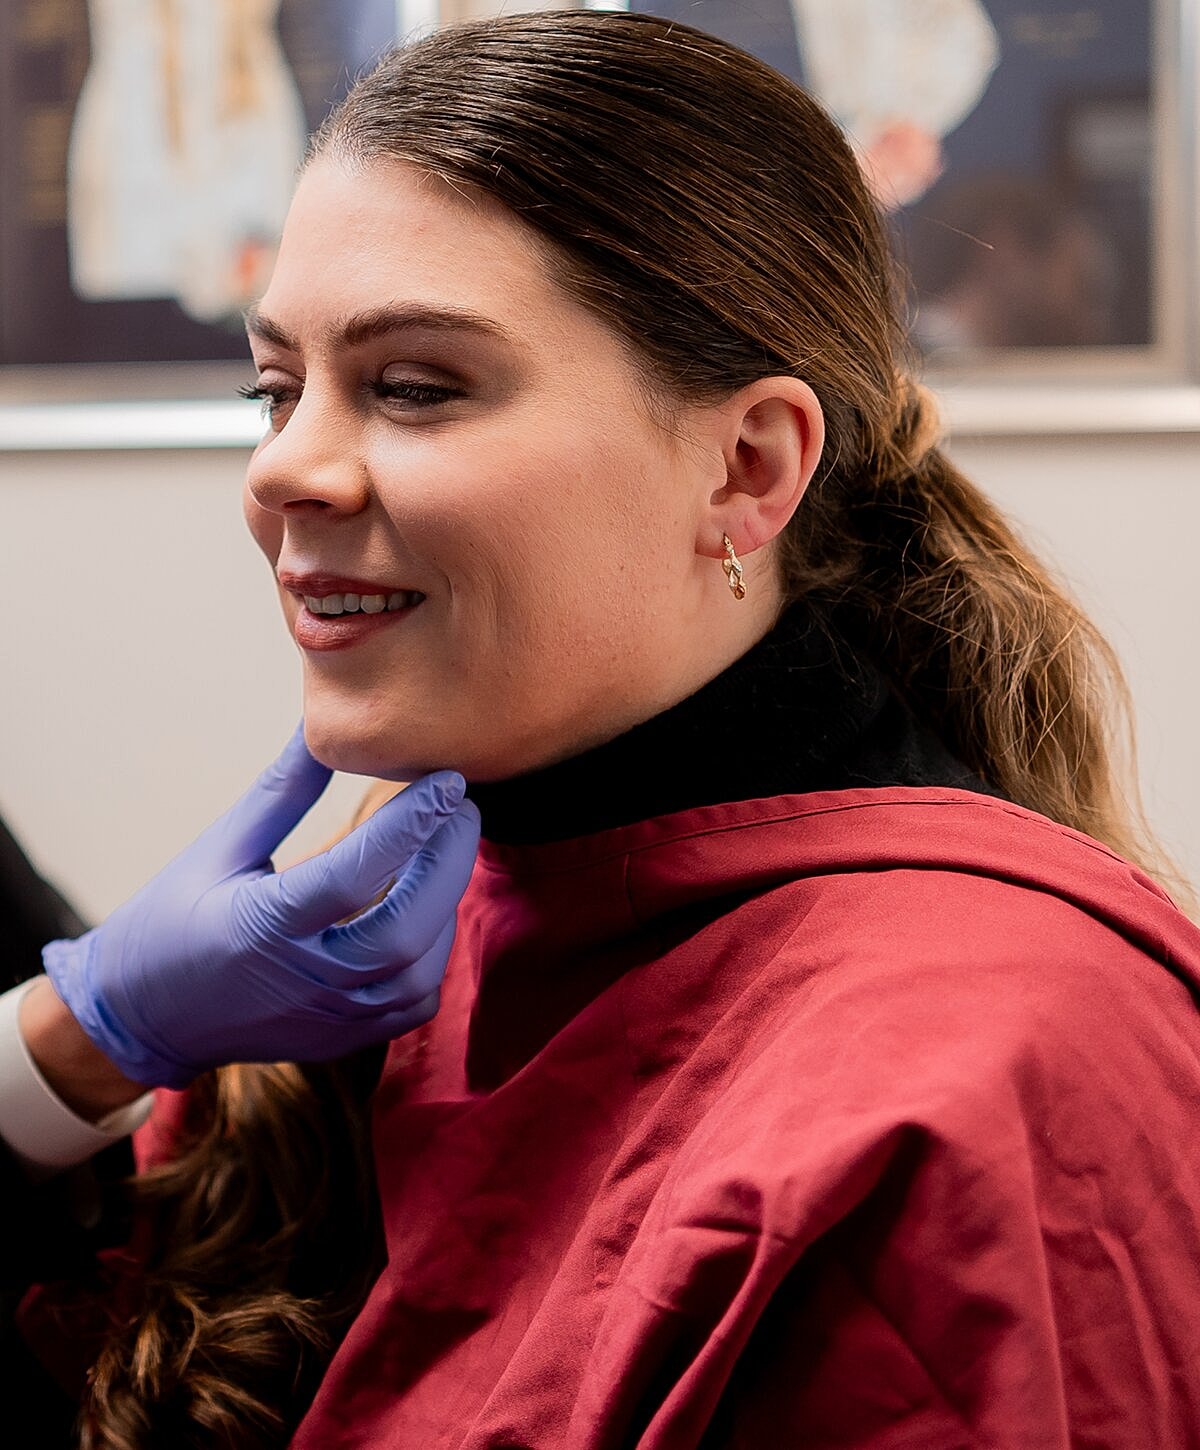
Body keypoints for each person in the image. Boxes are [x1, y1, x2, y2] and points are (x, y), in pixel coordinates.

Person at [5, 10, 1200, 1446]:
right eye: (277, 387)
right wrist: (67, 1050)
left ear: (747, 467)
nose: (286, 470)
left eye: (415, 385)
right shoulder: (376, 960)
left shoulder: (997, 1068)